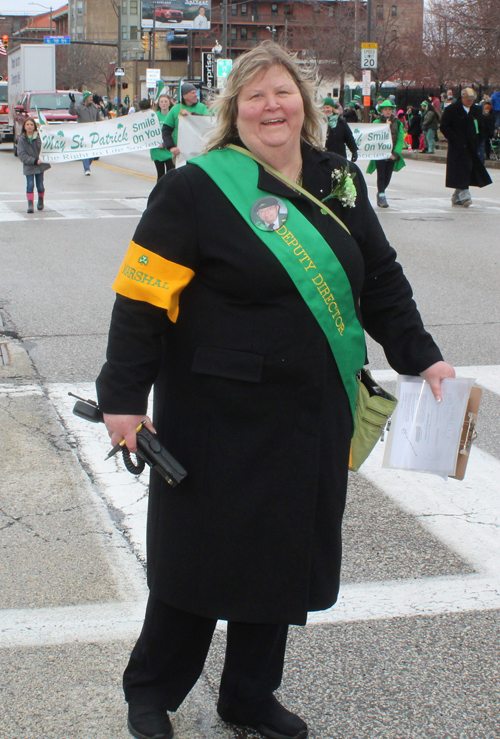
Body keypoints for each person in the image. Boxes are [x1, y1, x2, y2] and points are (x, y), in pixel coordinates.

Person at [95, 41, 454, 739]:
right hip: (213, 412)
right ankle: (152, 690)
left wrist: (424, 358)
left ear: (305, 105)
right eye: (255, 95)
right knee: (198, 556)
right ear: (235, 110)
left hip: (306, 412)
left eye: (282, 92)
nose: (271, 106)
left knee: (280, 555)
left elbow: (380, 280)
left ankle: (249, 694)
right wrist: (123, 398)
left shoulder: (339, 181)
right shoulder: (196, 188)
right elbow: (140, 302)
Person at [440, 87, 492, 207]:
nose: (470, 102)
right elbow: (444, 126)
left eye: (472, 100)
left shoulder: (476, 110)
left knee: (468, 169)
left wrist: (478, 139)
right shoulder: (452, 109)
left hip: (471, 145)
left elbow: (482, 126)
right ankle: (464, 194)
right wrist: (454, 138)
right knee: (459, 169)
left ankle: (458, 194)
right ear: (462, 98)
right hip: (457, 146)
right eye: (468, 99)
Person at [366, 99, 405, 208]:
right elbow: (372, 136)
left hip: (391, 154)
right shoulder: (377, 123)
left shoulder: (397, 123)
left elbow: (400, 139)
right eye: (385, 109)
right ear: (382, 110)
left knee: (388, 176)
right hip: (380, 154)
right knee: (381, 175)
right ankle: (382, 196)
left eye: (389, 109)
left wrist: (396, 154)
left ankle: (380, 192)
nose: (388, 111)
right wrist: (385, 126)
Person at [161, 82, 209, 162]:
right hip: (180, 152)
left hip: (199, 151)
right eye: (192, 93)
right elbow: (166, 130)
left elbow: (207, 123)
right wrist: (171, 147)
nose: (195, 94)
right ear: (185, 96)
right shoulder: (175, 109)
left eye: (195, 92)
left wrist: (191, 115)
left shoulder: (202, 107)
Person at [17, 117, 51, 213]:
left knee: (40, 185)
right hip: (29, 166)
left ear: (34, 126)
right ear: (24, 126)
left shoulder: (39, 137)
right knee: (30, 184)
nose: (29, 126)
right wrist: (34, 161)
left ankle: (40, 200)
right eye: (27, 124)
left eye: (31, 124)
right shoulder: (22, 140)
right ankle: (30, 203)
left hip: (40, 165)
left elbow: (46, 148)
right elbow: (22, 155)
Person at [68, 90, 102, 175]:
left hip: (93, 133)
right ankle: (87, 168)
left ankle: (87, 165)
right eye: (90, 97)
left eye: (91, 97)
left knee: (93, 152)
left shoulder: (95, 107)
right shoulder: (80, 107)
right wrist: (72, 103)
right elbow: (72, 112)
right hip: (83, 133)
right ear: (86, 98)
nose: (91, 98)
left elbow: (99, 119)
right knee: (86, 151)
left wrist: (103, 126)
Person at [322, 96, 358, 161]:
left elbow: (348, 137)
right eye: (323, 107)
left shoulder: (341, 122)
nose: (325, 110)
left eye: (328, 107)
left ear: (332, 108)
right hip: (324, 156)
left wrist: (354, 151)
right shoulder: (319, 122)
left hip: (339, 156)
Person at [151, 93, 175, 181]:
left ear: (169, 103)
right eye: (161, 102)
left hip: (169, 150)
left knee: (171, 176)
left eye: (166, 101)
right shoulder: (153, 116)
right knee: (160, 176)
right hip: (157, 151)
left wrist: (166, 144)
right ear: (159, 104)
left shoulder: (173, 115)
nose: (164, 103)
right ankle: (160, 194)